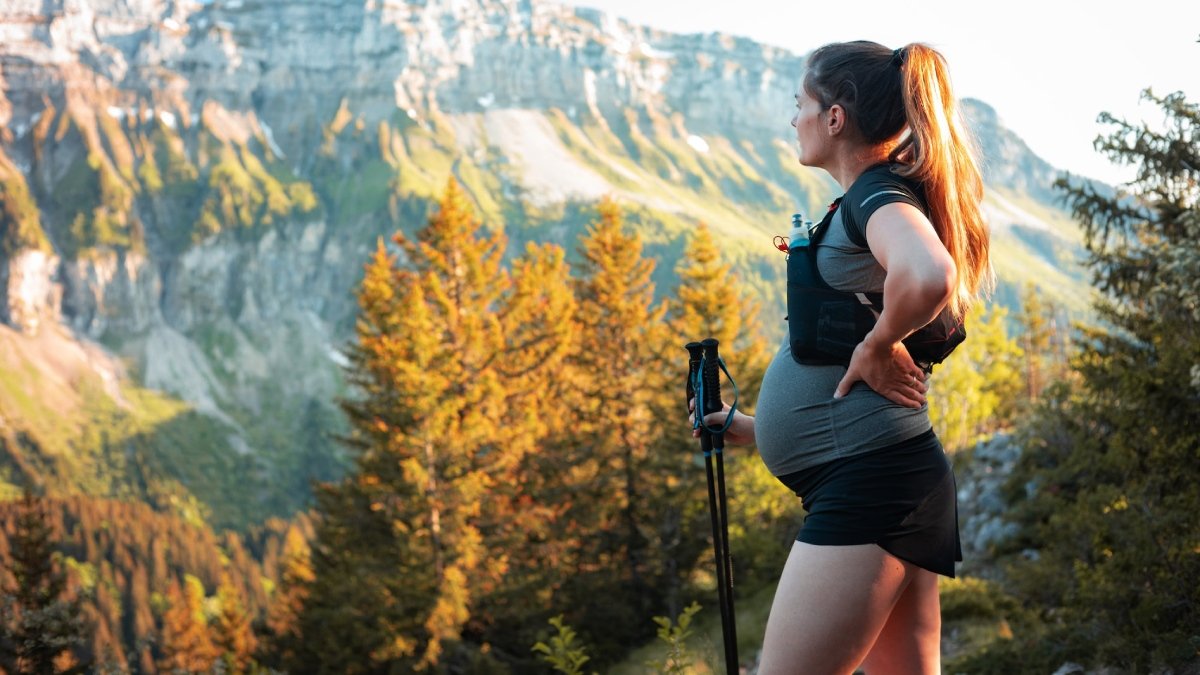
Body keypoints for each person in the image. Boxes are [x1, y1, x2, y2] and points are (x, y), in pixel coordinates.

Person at [691, 41, 991, 674]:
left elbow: (929, 273)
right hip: (891, 477)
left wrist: (877, 345)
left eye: (799, 103)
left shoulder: (876, 198)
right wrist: (753, 428)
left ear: (834, 118)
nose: (791, 117)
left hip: (869, 486)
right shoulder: (869, 197)